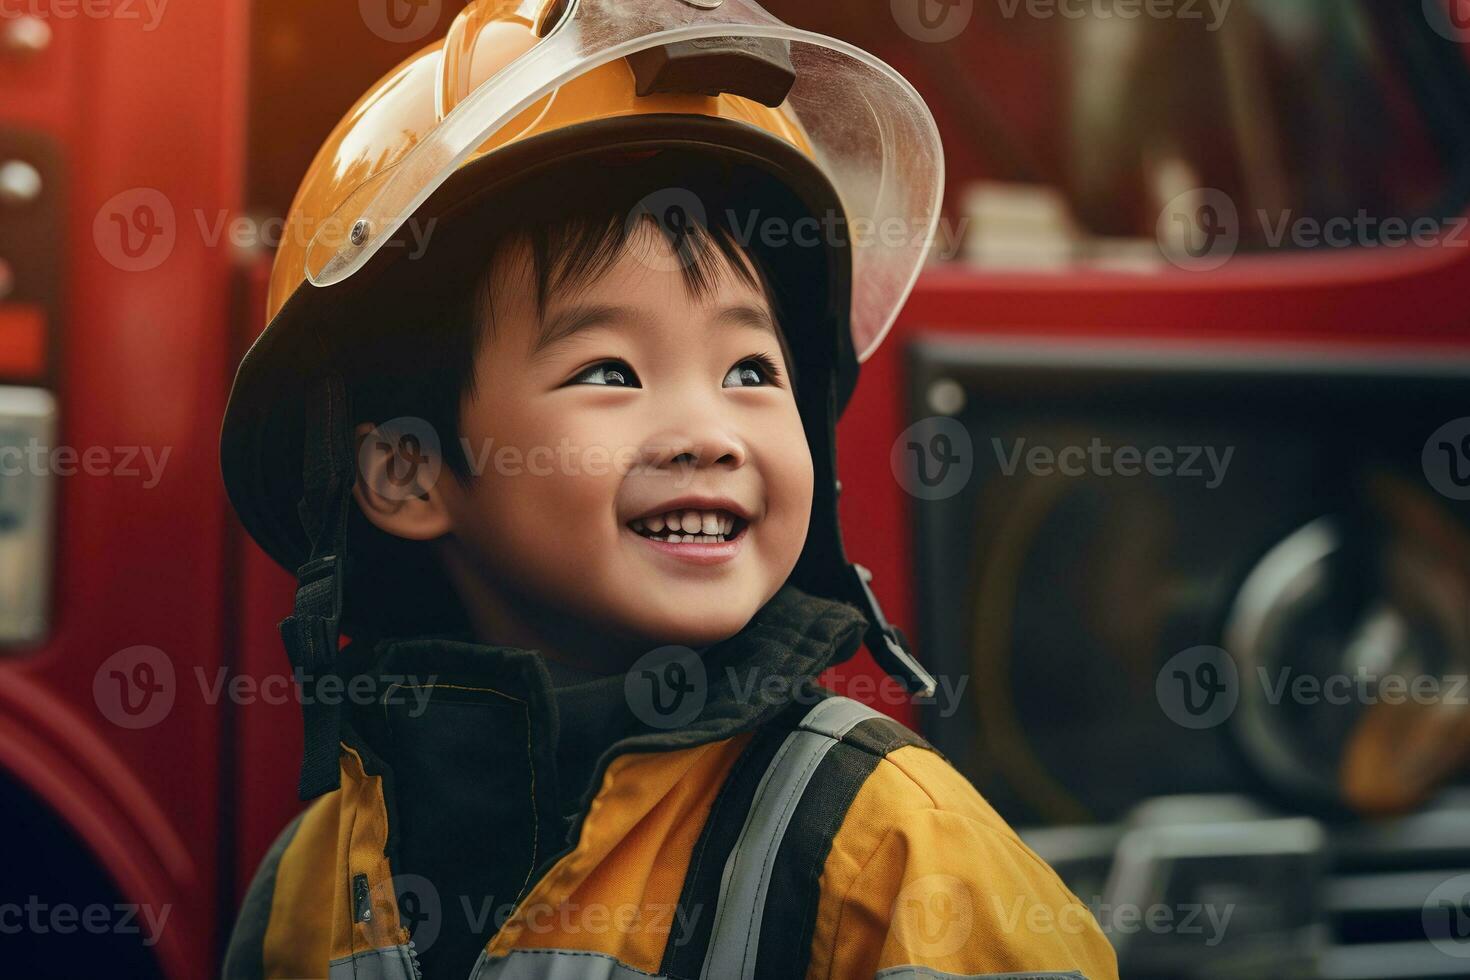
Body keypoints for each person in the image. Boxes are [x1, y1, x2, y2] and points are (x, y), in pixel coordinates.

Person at [219, 1, 1119, 977]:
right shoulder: (310, 887)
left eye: (750, 371)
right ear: (405, 469)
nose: (709, 433)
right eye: (610, 371)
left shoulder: (888, 850)